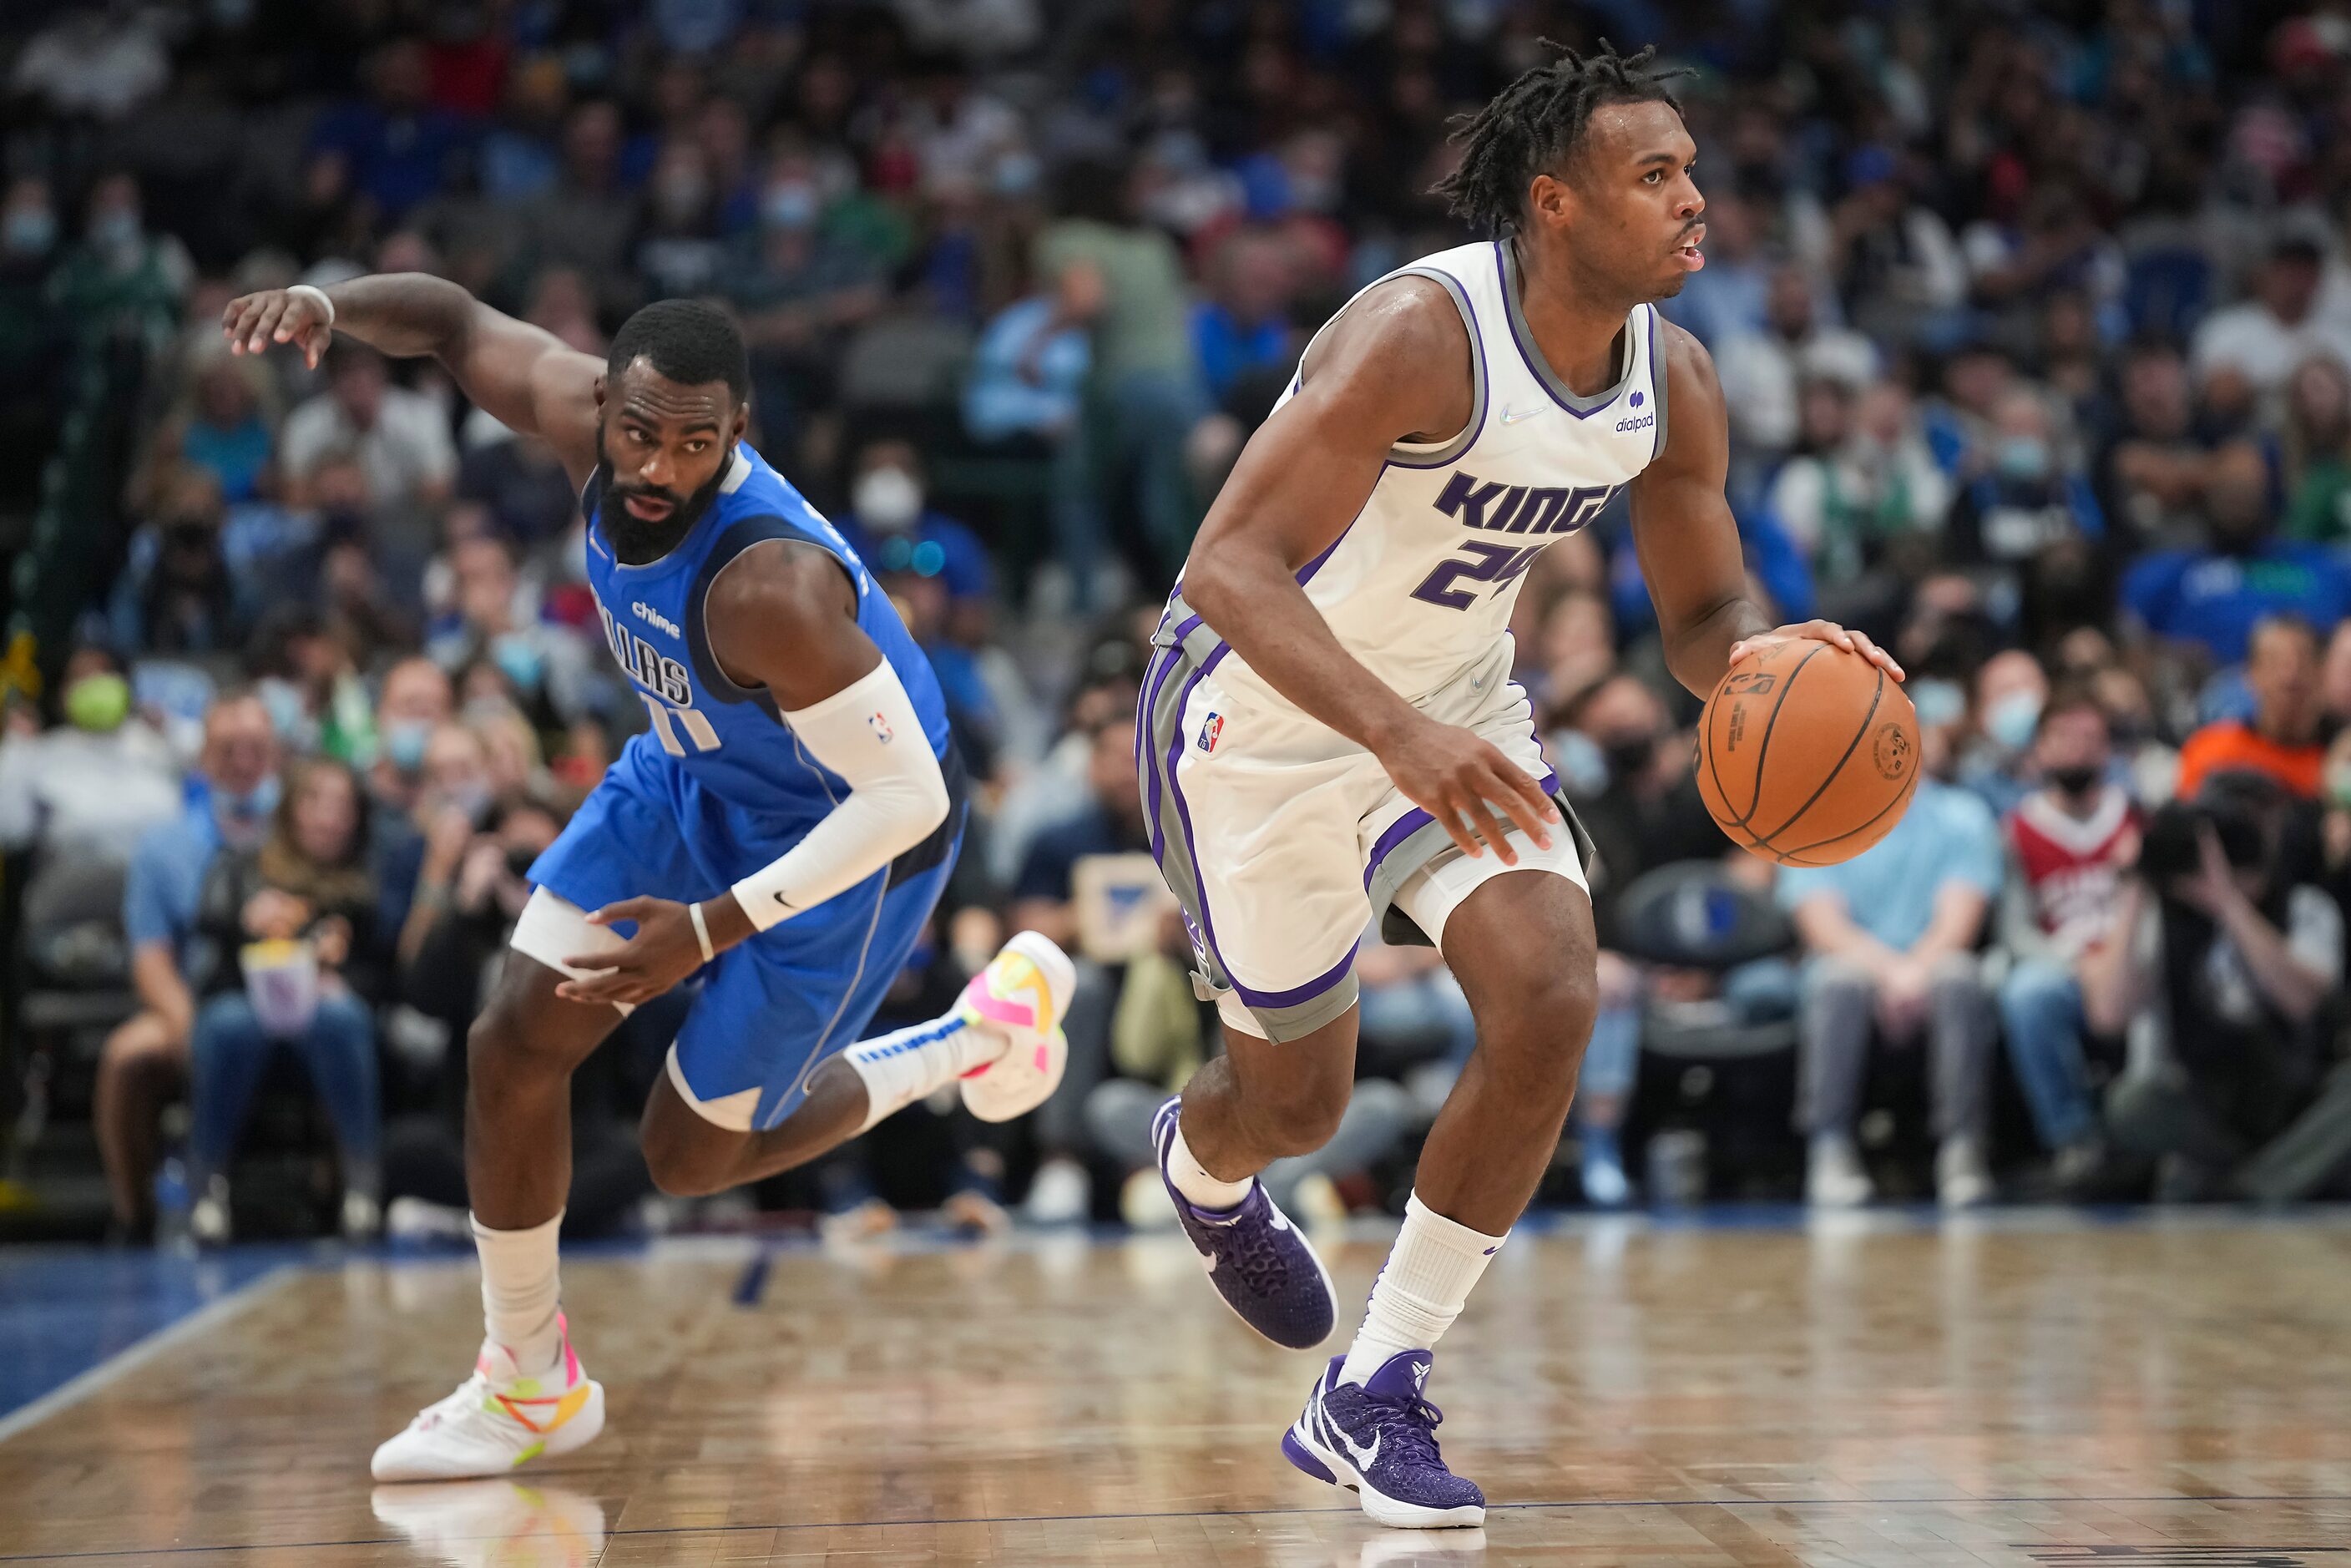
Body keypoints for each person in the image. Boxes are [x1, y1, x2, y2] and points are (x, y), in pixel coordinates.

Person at [1137, 44, 1901, 1528]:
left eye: (1691, 168)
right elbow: (1226, 568)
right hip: (1262, 706)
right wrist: (1393, 734)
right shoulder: (1423, 336)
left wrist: (1777, 664)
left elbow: (1698, 623)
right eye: (1654, 176)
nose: (1695, 200)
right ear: (1555, 204)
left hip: (1456, 706)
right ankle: (1203, 1157)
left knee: (1553, 991)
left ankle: (1373, 1388)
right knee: (1295, 1102)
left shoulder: (1672, 376)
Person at [223, 278, 1075, 1480]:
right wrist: (331, 302)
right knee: (511, 1042)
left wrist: (711, 929)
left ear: (740, 435)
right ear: (606, 403)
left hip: (848, 839)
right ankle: (527, 1380)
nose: (659, 464)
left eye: (695, 442)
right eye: (639, 431)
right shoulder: (590, 420)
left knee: (689, 1158)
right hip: (688, 779)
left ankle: (975, 1038)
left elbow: (910, 801)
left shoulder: (768, 588)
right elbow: (461, 326)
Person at [1777, 719, 2002, 1211]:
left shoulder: (1964, 816)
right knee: (1838, 982)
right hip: (1854, 962)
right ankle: (1830, 1147)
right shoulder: (1815, 813)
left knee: (1960, 977)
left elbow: (1958, 920)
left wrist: (1914, 971)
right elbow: (1823, 926)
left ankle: (1961, 1149)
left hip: (1932, 961)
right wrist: (1891, 973)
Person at [97, 691, 281, 1240]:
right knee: (124, 1058)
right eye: (228, 748)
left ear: (277, 756)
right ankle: (133, 1216)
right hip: (196, 998)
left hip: (288, 1000)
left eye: (255, 748)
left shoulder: (304, 834)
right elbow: (150, 956)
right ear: (203, 758)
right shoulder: (164, 846)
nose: (243, 761)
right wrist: (182, 1021)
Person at [185, 756, 387, 1243]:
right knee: (228, 1024)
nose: (329, 817)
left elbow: (387, 973)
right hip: (246, 1005)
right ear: (290, 809)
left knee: (342, 1015)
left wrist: (344, 977)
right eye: (316, 801)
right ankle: (208, 1184)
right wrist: (244, 922)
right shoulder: (243, 869)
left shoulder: (363, 889)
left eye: (342, 806)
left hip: (325, 1019)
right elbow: (209, 941)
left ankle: (361, 1182)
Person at [1996, 687, 2141, 1186]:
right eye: (2063, 738)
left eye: (2089, 738)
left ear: (2107, 749)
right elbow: (2015, 931)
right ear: (2039, 750)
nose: (2077, 750)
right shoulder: (2017, 830)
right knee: (2027, 993)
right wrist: (2074, 962)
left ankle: (2149, 1138)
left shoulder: (2137, 818)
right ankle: (2072, 1138)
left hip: (2133, 962)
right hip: (2064, 967)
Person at [2175, 615, 2328, 802]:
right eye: (2274, 662)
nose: (2289, 677)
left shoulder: (2337, 758)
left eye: (2302, 662)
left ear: (2321, 672)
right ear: (2251, 674)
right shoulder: (2210, 750)